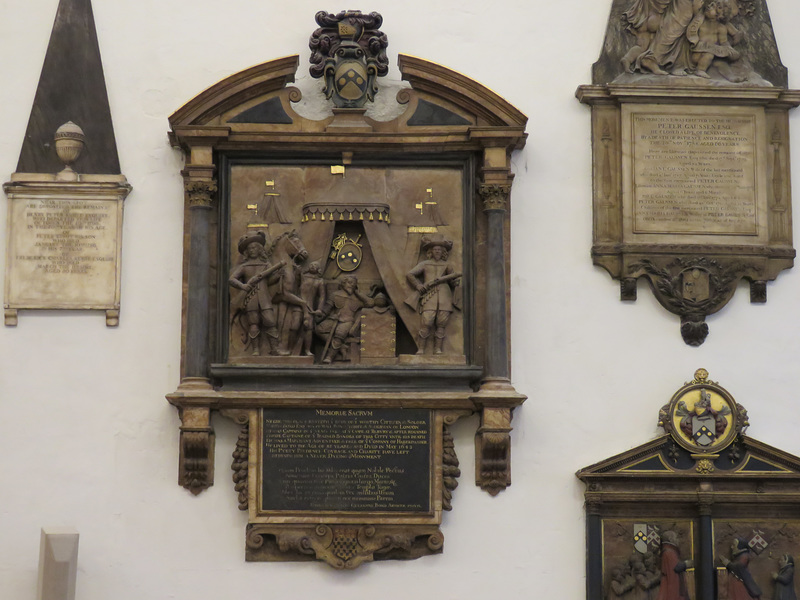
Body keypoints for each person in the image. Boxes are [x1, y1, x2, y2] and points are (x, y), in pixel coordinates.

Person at [228, 231, 285, 356]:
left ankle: (274, 349)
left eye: (254, 247)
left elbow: (268, 281)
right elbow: (232, 279)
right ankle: (255, 350)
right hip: (251, 298)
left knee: (270, 321)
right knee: (253, 323)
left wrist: (277, 276)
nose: (252, 250)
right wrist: (243, 285)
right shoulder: (244, 266)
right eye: (250, 248)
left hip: (264, 297)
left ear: (259, 249)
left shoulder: (266, 265)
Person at [406, 234, 461, 355]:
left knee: (441, 324)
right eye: (435, 250)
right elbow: (410, 274)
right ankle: (421, 349)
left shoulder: (447, 265)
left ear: (443, 252)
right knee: (427, 322)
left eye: (440, 250)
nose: (437, 252)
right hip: (429, 296)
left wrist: (455, 282)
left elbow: (452, 282)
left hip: (444, 296)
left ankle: (438, 349)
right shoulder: (425, 264)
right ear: (431, 251)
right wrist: (418, 285)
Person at [316, 275, 374, 364]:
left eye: (354, 284)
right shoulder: (335, 295)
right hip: (334, 319)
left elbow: (370, 303)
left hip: (347, 321)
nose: (352, 285)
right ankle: (341, 347)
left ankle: (329, 357)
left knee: (340, 334)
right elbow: (326, 310)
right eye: (349, 283)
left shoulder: (357, 299)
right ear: (343, 283)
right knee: (318, 329)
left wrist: (359, 293)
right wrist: (317, 317)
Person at [687, 0, 742, 78]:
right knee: (710, 54)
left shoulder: (721, 28)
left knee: (715, 59)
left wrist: (729, 50)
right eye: (710, 4)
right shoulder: (700, 21)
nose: (709, 7)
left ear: (718, 15)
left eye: (712, 6)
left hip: (708, 55)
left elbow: (724, 42)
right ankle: (700, 69)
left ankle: (730, 77)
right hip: (696, 53)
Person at [298, 261, 326, 357]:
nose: (313, 266)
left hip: (310, 307)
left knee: (309, 328)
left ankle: (307, 350)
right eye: (311, 264)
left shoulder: (319, 281)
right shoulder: (302, 276)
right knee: (294, 325)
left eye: (315, 265)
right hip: (297, 304)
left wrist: (319, 309)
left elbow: (322, 296)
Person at [657, 530, 692, 600]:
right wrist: (687, 564)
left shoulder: (669, 551)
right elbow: (674, 570)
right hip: (671, 587)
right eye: (676, 537)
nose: (678, 540)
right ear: (670, 539)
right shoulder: (669, 553)